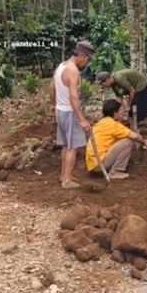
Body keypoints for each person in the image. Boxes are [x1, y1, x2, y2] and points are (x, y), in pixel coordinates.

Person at [50, 41, 96, 189]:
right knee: (73, 148)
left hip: (61, 110)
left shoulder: (62, 66)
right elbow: (74, 97)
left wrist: (53, 104)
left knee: (66, 145)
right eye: (87, 59)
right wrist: (82, 119)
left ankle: (64, 175)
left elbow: (52, 86)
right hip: (70, 112)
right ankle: (67, 181)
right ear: (82, 56)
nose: (86, 63)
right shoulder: (73, 71)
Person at [85, 99, 147, 179]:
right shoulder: (113, 125)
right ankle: (116, 171)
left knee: (122, 139)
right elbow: (134, 136)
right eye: (121, 111)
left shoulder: (101, 123)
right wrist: (144, 142)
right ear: (115, 114)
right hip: (100, 164)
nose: (122, 114)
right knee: (128, 141)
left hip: (93, 164)